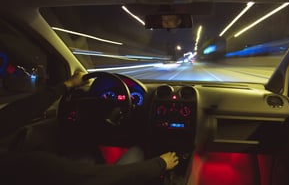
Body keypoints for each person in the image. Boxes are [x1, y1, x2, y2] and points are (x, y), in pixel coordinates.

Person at [0, 70, 179, 185]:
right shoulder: (34, 165)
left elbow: (12, 115)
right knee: (139, 151)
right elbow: (95, 177)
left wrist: (67, 85)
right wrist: (160, 163)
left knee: (86, 153)